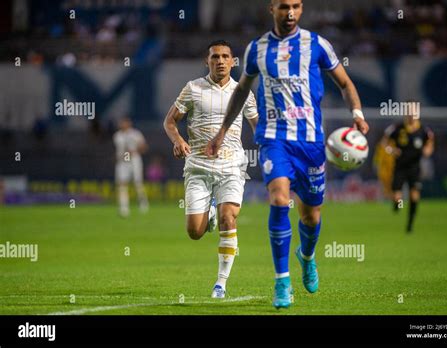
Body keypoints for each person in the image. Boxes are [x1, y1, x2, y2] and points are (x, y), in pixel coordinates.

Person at [205, 0, 369, 308]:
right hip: (274, 138)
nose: (289, 12)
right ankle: (282, 282)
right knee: (280, 199)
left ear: (302, 9)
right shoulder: (256, 49)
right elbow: (241, 90)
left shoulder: (317, 45)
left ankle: (306, 257)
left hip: (310, 143)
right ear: (272, 9)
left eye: (295, 6)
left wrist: (357, 113)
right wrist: (222, 131)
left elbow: (345, 83)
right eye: (283, 7)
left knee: (311, 215)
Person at [163, 40, 259, 298]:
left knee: (230, 218)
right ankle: (209, 217)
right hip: (198, 166)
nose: (220, 61)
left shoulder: (244, 92)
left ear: (233, 61)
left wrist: (271, 146)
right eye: (215, 57)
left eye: (225, 56)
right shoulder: (193, 88)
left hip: (232, 165)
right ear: (207, 61)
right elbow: (170, 121)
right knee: (195, 232)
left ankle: (221, 284)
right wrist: (179, 140)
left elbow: (256, 126)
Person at [381, 103, 435, 233]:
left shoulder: (424, 130)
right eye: (408, 110)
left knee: (414, 196)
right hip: (399, 167)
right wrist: (391, 150)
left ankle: (410, 224)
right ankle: (397, 205)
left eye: (413, 110)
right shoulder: (397, 128)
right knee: (397, 198)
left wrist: (428, 150)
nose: (411, 113)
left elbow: (430, 142)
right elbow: (384, 142)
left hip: (414, 168)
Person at [113, 117, 149, 217]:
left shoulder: (135, 134)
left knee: (137, 183)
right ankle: (124, 208)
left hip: (133, 160)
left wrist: (134, 150)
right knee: (122, 184)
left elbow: (144, 147)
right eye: (121, 122)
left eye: (124, 122)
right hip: (122, 162)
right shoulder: (117, 136)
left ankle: (143, 203)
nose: (122, 124)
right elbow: (118, 150)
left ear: (129, 123)